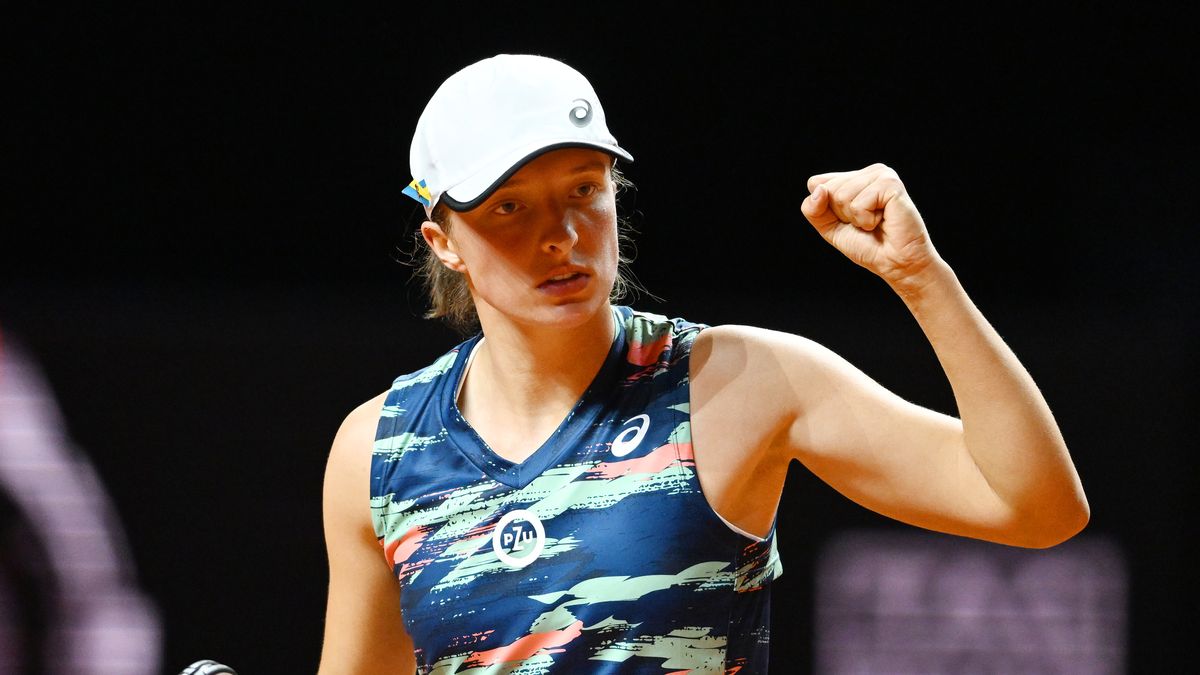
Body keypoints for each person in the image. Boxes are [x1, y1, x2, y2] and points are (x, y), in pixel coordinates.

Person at [317, 54, 1089, 674]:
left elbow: (1037, 506)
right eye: (510, 207)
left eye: (585, 189)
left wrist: (924, 279)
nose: (561, 234)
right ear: (443, 240)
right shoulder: (378, 451)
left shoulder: (737, 380)